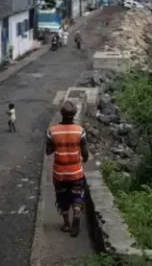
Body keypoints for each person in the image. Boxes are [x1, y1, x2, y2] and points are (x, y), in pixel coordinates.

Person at [45, 101, 89, 237]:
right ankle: (76, 213)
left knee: (62, 197)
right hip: (76, 172)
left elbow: (48, 151)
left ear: (61, 114)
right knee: (77, 195)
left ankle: (66, 224)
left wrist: (56, 144)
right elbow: (85, 153)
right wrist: (84, 159)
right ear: (74, 114)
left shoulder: (52, 131)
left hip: (60, 173)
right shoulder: (80, 131)